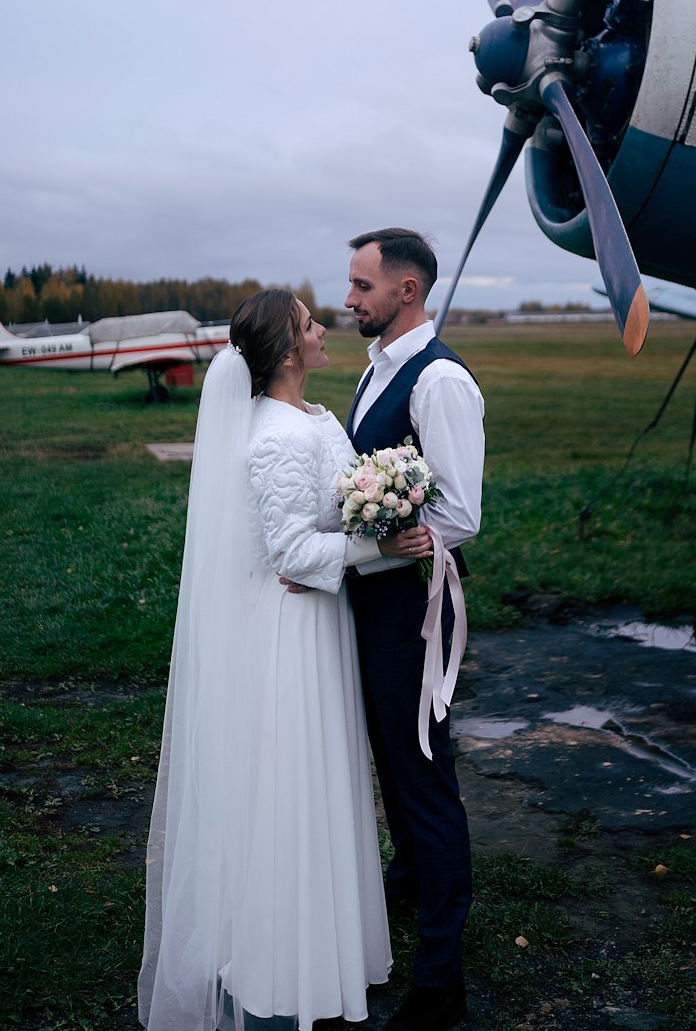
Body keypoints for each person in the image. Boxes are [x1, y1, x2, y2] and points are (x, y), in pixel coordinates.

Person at [137, 288, 431, 1031]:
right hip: (291, 630)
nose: (324, 327)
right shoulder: (271, 437)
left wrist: (384, 500)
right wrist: (381, 544)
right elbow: (291, 553)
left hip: (323, 618)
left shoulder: (318, 419)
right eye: (309, 324)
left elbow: (334, 510)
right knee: (293, 783)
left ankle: (335, 946)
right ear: (287, 350)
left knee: (330, 776)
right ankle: (285, 961)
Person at [343, 229, 485, 1031]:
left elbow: (459, 511)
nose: (350, 298)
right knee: (393, 766)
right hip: (374, 599)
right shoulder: (378, 369)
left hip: (413, 610)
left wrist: (379, 538)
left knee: (424, 775)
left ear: (407, 291)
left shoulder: (439, 382)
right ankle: (410, 881)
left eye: (363, 286)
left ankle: (442, 980)